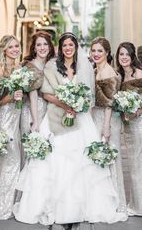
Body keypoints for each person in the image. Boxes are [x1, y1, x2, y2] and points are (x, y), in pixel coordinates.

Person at [13, 32, 125, 226]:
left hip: (80, 120)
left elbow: (89, 97)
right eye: (64, 45)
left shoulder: (85, 67)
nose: (67, 48)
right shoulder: (51, 66)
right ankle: (52, 206)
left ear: (76, 47)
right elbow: (46, 93)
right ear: (60, 47)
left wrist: (78, 104)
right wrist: (66, 105)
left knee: (82, 165)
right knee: (54, 163)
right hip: (56, 116)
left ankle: (81, 207)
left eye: (71, 45)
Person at [116, 42, 142, 217]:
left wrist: (139, 110)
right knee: (134, 164)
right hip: (129, 123)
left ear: (133, 56)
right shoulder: (120, 75)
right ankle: (136, 203)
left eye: (127, 54)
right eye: (121, 54)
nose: (124, 57)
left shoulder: (140, 73)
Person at [90, 37, 127, 220]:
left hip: (107, 118)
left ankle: (115, 203)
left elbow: (110, 103)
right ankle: (101, 199)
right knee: (98, 159)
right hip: (96, 116)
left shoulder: (108, 72)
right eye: (93, 51)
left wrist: (105, 127)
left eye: (99, 51)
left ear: (107, 53)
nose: (96, 54)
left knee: (110, 159)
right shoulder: (96, 70)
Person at [0, 35, 23, 220]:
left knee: (8, 161)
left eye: (17, 46)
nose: (15, 49)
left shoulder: (20, 68)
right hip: (4, 118)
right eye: (11, 47)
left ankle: (3, 202)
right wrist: (12, 97)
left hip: (17, 118)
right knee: (12, 159)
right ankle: (2, 207)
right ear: (4, 49)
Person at [20, 31, 55, 136]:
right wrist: (35, 121)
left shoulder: (51, 65)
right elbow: (33, 96)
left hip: (47, 110)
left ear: (49, 47)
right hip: (32, 110)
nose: (42, 47)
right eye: (39, 45)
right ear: (34, 48)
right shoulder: (30, 67)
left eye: (45, 44)